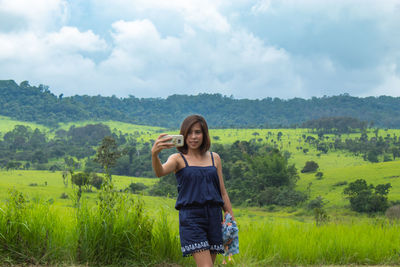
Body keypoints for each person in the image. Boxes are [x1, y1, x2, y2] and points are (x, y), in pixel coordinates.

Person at [151, 114, 235, 267]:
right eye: (189, 133)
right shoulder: (177, 159)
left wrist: (231, 218)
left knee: (209, 264)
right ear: (183, 135)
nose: (193, 137)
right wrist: (154, 154)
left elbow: (222, 191)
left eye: (198, 132)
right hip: (192, 219)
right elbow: (160, 172)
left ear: (204, 134)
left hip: (214, 217)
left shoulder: (214, 158)